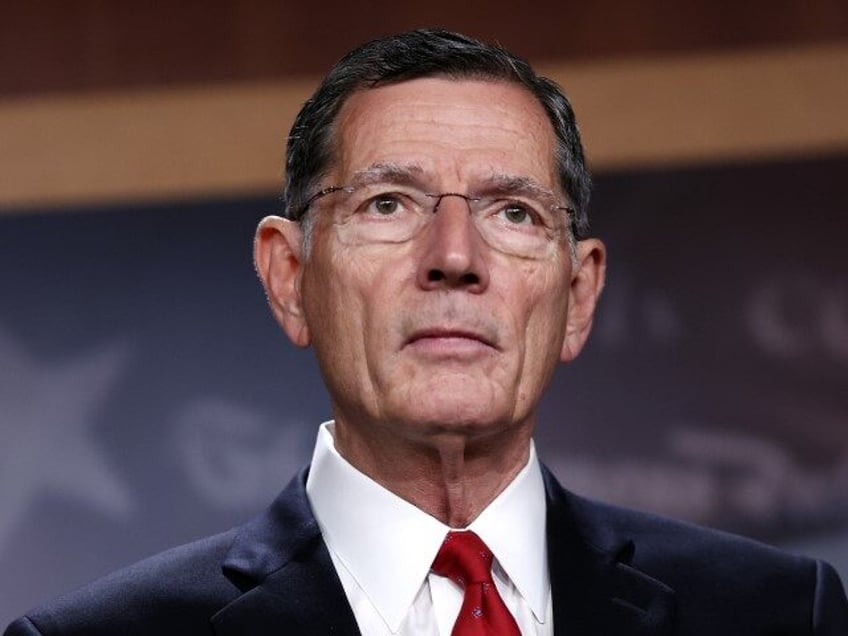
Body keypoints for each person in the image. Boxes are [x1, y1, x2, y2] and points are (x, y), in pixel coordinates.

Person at [5, 28, 847, 636]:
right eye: (387, 204)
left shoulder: (780, 613)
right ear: (289, 278)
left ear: (579, 295)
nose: (454, 257)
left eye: (512, 211)